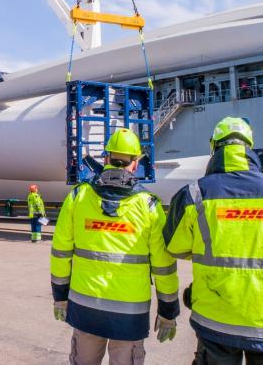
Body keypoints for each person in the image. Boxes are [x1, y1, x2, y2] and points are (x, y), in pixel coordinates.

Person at [164, 117, 263, 365]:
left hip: (216, 316)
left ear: (214, 147)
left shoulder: (196, 194)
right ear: (249, 146)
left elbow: (174, 246)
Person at [51, 128, 179, 365]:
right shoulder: (149, 206)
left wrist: (60, 297)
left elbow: (60, 252)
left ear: (106, 158)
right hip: (130, 314)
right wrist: (168, 311)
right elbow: (164, 266)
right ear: (135, 163)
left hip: (85, 306)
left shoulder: (78, 197)